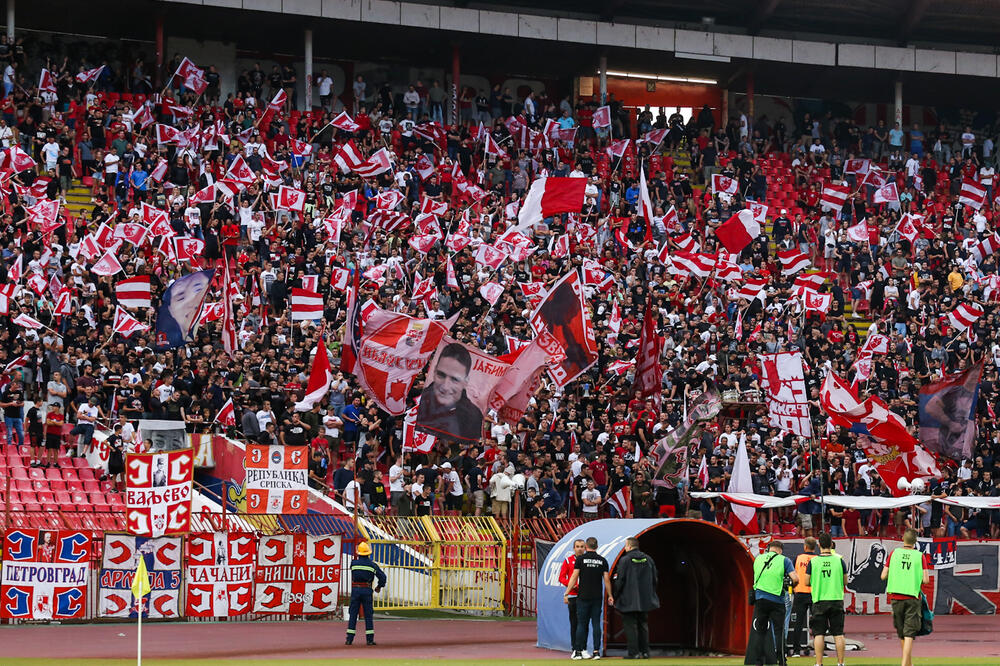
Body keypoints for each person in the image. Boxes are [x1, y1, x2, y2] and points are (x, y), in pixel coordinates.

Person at [415, 342, 483, 442]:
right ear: (434, 372)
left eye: (455, 379)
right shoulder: (418, 402)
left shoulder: (474, 417)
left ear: (465, 382)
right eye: (441, 375)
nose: (446, 386)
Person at [881, 528, 929, 666]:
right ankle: (905, 664)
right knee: (909, 633)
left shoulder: (894, 553)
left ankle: (907, 663)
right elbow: (926, 580)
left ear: (903, 539)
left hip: (896, 597)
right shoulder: (920, 556)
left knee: (902, 632)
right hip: (912, 596)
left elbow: (883, 575)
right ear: (915, 542)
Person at [748, 540, 797, 666]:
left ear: (769, 548)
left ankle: (759, 661)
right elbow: (795, 578)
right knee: (779, 631)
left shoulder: (758, 559)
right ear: (780, 550)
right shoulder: (784, 560)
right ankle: (781, 661)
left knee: (760, 631)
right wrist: (790, 585)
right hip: (776, 599)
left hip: (760, 599)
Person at [564, 536, 613, 660]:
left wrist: (566, 592)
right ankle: (596, 652)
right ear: (597, 547)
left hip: (583, 596)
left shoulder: (580, 559)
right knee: (596, 624)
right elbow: (606, 579)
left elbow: (574, 577)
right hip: (597, 597)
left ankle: (578, 652)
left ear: (586, 547)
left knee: (581, 624)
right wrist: (610, 595)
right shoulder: (602, 560)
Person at [803, 533, 848, 666]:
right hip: (836, 599)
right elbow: (845, 581)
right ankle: (840, 663)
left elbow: (806, 582)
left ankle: (819, 663)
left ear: (819, 545)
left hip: (819, 600)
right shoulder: (839, 560)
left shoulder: (813, 562)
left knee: (819, 634)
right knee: (838, 634)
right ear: (831, 544)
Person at [612, 536, 659, 659]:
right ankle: (645, 652)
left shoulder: (625, 560)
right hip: (645, 599)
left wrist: (615, 595)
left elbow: (620, 580)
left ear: (629, 546)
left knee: (630, 626)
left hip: (628, 599)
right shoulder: (648, 559)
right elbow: (655, 579)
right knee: (643, 625)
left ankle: (634, 653)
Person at [345, 541, 386, 646]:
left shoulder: (353, 563)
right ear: (369, 553)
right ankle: (369, 640)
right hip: (367, 590)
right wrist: (379, 586)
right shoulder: (372, 565)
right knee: (368, 615)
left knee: (353, 614)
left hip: (355, 590)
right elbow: (383, 577)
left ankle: (349, 639)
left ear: (358, 553)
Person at [789, 537, 817, 658]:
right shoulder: (818, 559)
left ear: (805, 546)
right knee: (817, 623)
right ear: (814, 547)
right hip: (815, 593)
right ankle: (818, 650)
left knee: (798, 623)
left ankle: (796, 650)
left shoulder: (798, 558)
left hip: (800, 592)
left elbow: (792, 574)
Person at [559, 539, 586, 657]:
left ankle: (583, 648)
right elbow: (561, 577)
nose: (579, 548)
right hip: (573, 596)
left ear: (585, 548)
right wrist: (571, 584)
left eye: (582, 546)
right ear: (573, 548)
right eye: (577, 546)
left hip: (585, 596)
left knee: (584, 623)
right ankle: (575, 648)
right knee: (574, 622)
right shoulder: (568, 561)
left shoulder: (588, 560)